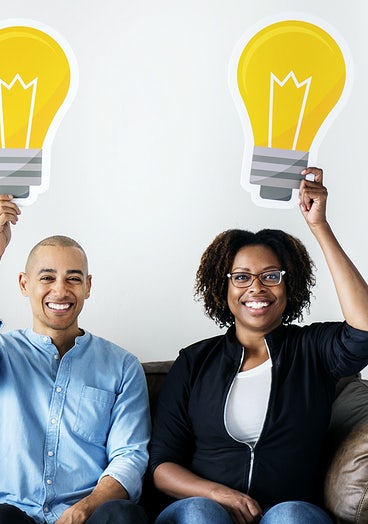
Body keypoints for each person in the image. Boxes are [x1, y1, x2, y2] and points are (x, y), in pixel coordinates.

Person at [149, 167, 368, 524]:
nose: (256, 288)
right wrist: (218, 494)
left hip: (285, 510)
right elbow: (162, 467)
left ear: (288, 285)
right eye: (241, 277)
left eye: (271, 276)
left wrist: (319, 227)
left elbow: (364, 328)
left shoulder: (312, 350)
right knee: (199, 513)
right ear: (224, 289)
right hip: (205, 509)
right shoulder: (194, 361)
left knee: (293, 515)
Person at [0, 195, 151, 524]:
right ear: (24, 284)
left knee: (123, 515)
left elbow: (129, 456)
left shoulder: (122, 366)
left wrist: (86, 508)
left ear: (87, 286)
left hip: (89, 516)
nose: (60, 290)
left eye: (73, 278)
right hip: (11, 516)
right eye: (46, 277)